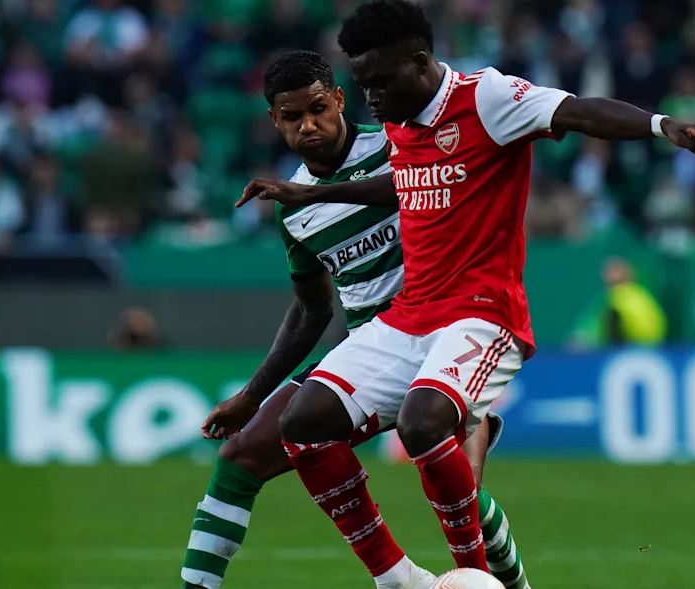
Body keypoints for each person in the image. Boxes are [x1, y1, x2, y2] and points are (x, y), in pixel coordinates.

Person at [238, 2, 695, 587]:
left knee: (422, 422)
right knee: (303, 421)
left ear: (418, 63)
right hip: (410, 316)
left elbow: (578, 112)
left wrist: (661, 126)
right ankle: (397, 579)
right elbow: (404, 182)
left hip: (483, 315)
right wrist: (315, 195)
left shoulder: (488, 99)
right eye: (363, 84)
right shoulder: (401, 118)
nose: (370, 98)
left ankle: (473, 577)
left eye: (379, 82)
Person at [181, 50, 532, 589]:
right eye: (292, 117)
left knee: (463, 495)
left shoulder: (396, 144)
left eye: (318, 109)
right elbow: (312, 310)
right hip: (369, 350)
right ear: (273, 120)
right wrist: (251, 396)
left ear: (340, 100)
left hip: (448, 331)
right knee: (241, 456)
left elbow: (436, 179)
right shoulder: (293, 207)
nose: (308, 125)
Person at [602, 257, 667, 346]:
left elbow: (608, 334)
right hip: (656, 347)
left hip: (632, 348)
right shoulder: (642, 294)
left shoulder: (616, 299)